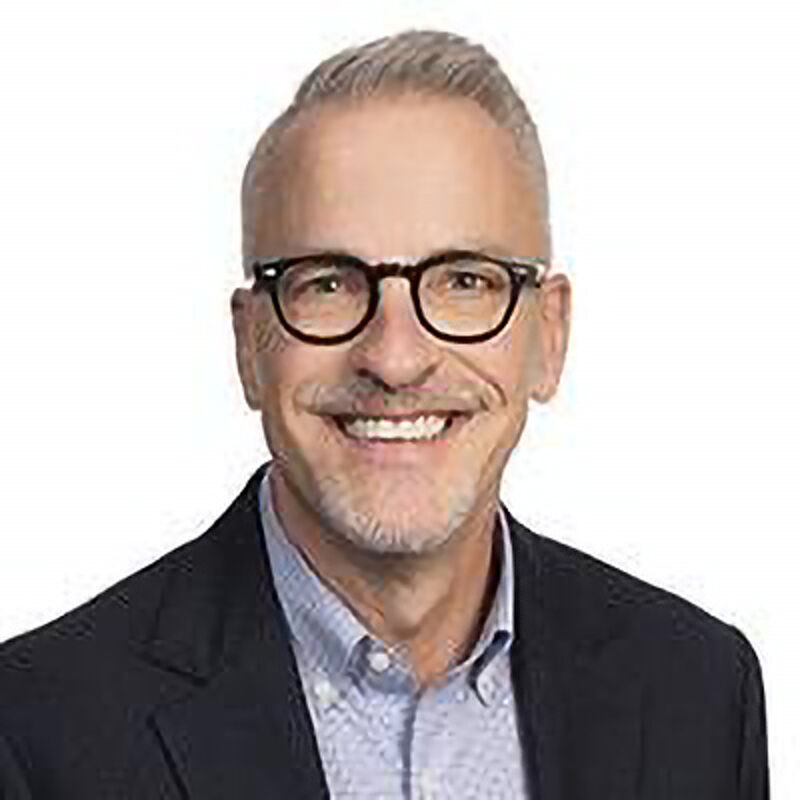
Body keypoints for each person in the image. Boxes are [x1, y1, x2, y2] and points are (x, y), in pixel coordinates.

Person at [0, 29, 768, 799]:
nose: (396, 358)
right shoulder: (37, 731)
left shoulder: (699, 695)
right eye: (327, 283)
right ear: (248, 344)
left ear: (550, 336)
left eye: (464, 281)